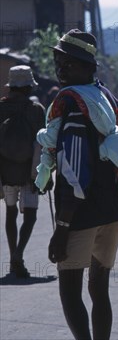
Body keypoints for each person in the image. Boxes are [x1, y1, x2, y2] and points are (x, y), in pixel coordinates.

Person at [36, 29, 118, 339]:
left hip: (80, 215)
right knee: (99, 288)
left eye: (69, 63)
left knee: (69, 290)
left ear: (88, 67)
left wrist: (62, 226)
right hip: (115, 211)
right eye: (58, 61)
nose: (61, 68)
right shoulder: (108, 98)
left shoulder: (71, 101)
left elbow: (75, 171)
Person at [0, 65, 46, 278]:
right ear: (28, 87)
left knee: (10, 214)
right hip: (30, 173)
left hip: (6, 173)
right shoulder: (37, 110)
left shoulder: (1, 108)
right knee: (31, 216)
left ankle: (13, 258)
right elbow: (44, 144)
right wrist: (45, 175)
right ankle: (19, 254)